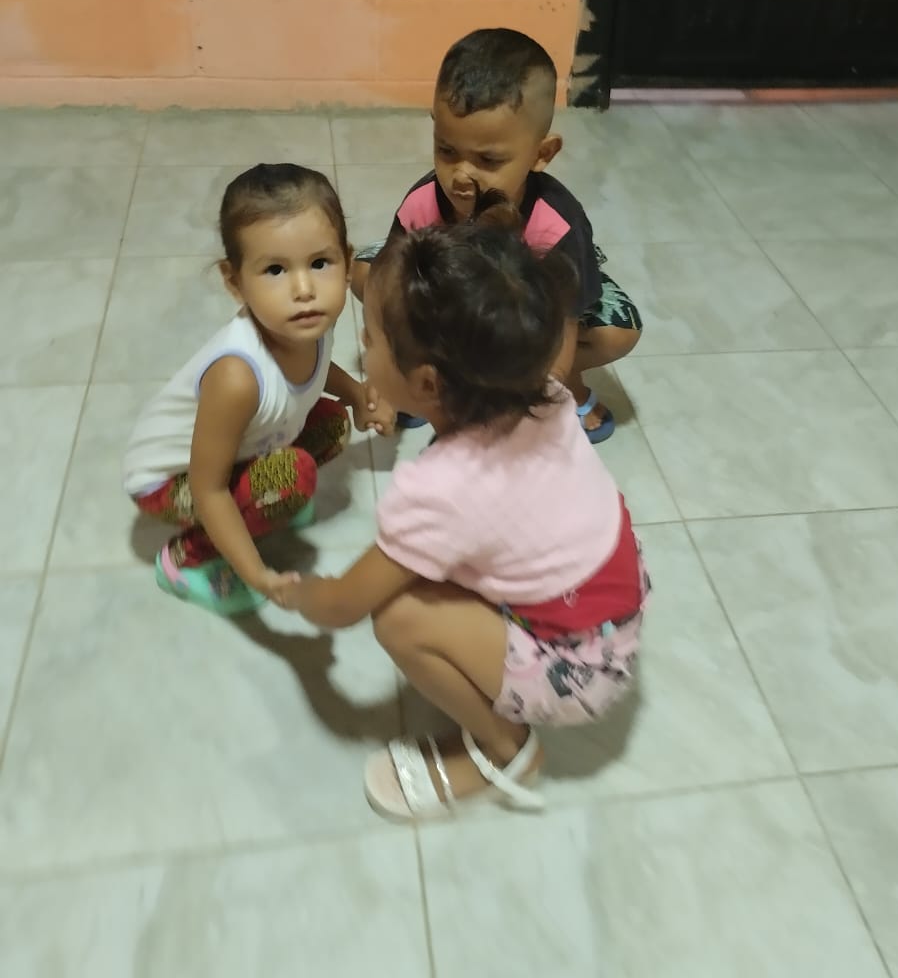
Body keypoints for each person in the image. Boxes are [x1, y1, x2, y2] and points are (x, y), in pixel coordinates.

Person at [277, 195, 650, 822]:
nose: (362, 349)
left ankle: (507, 749)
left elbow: (344, 606)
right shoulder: (543, 390)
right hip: (610, 599)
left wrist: (302, 594)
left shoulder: (439, 491)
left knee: (399, 616)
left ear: (426, 384)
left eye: (370, 340)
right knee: (436, 569)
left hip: (581, 664)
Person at [123, 163, 395, 616]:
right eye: (274, 269)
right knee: (290, 477)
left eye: (320, 263)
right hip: (171, 480)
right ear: (235, 282)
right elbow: (209, 489)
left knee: (331, 425)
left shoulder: (304, 323)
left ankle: (262, 502)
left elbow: (313, 368)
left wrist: (354, 394)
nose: (304, 289)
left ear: (347, 263)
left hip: (236, 448)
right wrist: (257, 574)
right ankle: (185, 559)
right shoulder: (236, 377)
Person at [351, 27, 643, 443]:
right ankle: (427, 375)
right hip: (454, 298)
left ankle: (570, 389)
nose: (461, 175)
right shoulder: (423, 202)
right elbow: (394, 284)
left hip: (530, 315)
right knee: (367, 276)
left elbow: (563, 323)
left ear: (542, 154)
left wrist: (543, 399)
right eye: (446, 150)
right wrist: (396, 372)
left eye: (488, 160)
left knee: (616, 333)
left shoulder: (557, 224)